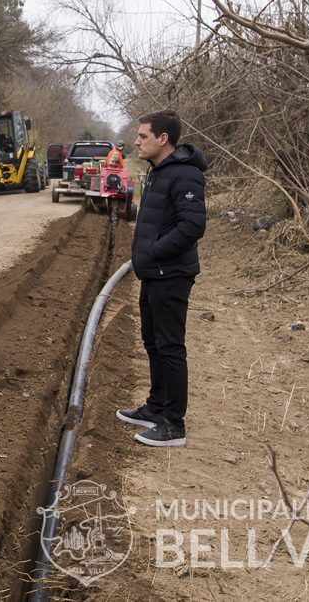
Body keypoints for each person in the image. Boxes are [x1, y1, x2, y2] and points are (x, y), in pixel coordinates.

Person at [117, 110, 207, 448]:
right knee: (153, 342)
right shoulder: (158, 172)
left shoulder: (184, 174)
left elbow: (192, 226)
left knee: (170, 347)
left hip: (171, 274)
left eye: (143, 136)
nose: (137, 141)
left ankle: (174, 425)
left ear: (162, 139)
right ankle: (155, 408)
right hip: (153, 275)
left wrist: (153, 251)